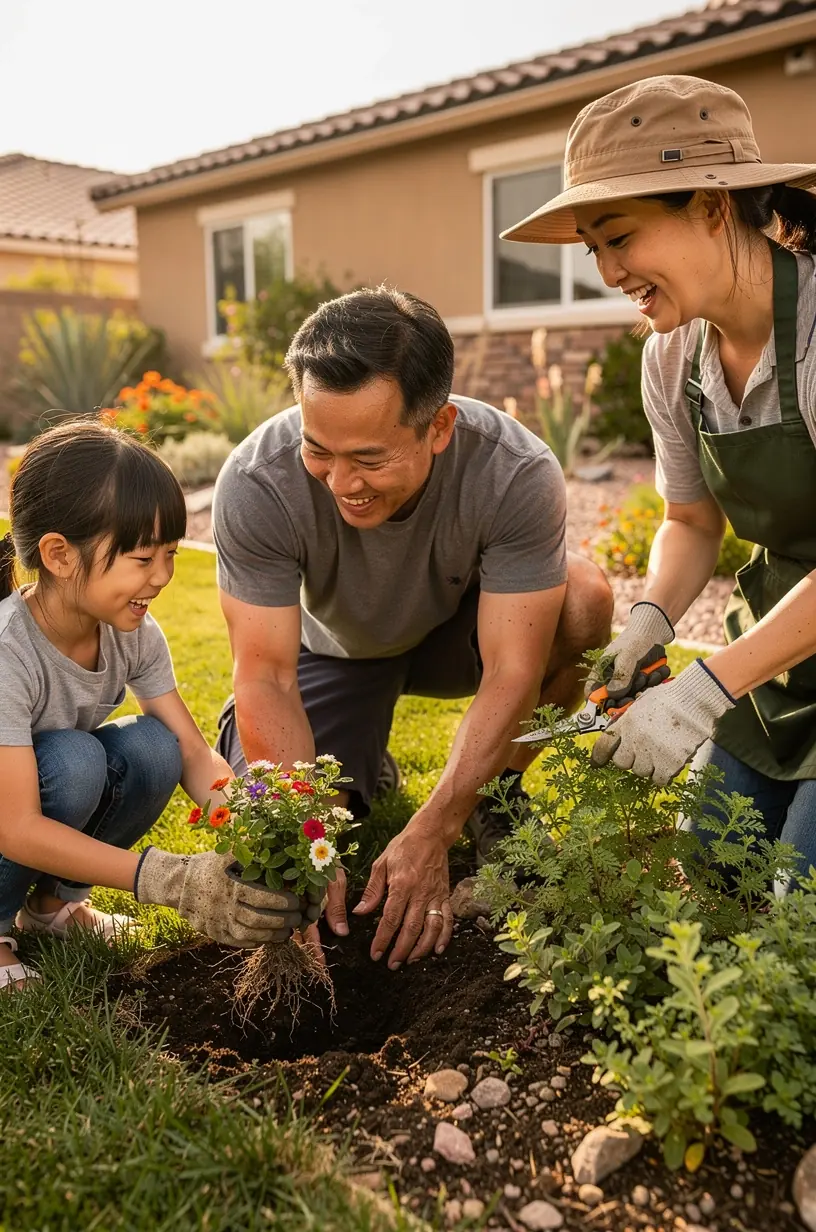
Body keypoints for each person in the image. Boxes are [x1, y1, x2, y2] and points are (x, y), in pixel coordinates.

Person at [213, 287, 613, 971]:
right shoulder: (257, 482)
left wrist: (439, 826)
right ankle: (364, 764)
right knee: (310, 834)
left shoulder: (514, 470)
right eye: (320, 451)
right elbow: (266, 675)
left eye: (369, 458)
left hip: (458, 638)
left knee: (586, 603)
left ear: (439, 426)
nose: (342, 483)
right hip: (333, 653)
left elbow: (514, 669)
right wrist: (305, 825)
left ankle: (498, 792)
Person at [502, 73, 816, 890]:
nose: (609, 271)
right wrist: (649, 621)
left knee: (797, 909)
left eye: (620, 237)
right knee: (709, 876)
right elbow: (690, 519)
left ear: (712, 207)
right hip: (780, 655)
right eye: (593, 249)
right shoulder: (671, 357)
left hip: (765, 651)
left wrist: (705, 687)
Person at [0, 422, 313, 991]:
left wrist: (266, 838)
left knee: (152, 748)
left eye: (170, 553)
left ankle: (52, 907)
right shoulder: (7, 651)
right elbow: (15, 826)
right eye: (144, 558)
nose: (164, 576)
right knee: (73, 762)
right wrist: (169, 879)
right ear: (59, 555)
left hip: (30, 798)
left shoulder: (132, 633)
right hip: (6, 816)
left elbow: (193, 751)